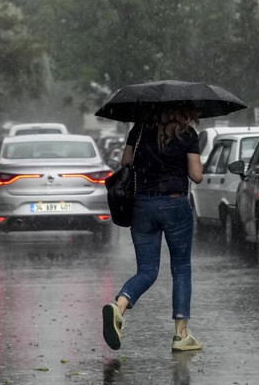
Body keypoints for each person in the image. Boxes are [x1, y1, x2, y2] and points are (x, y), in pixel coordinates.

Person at [102, 105, 204, 352]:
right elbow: (196, 176)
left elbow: (125, 163)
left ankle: (120, 305)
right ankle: (181, 335)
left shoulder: (139, 131)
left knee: (147, 270)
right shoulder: (187, 134)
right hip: (175, 203)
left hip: (143, 205)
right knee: (181, 269)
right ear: (182, 109)